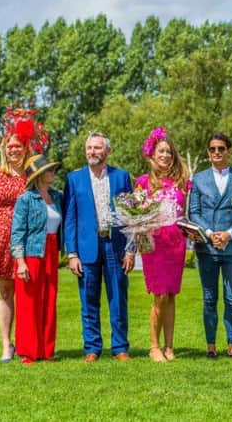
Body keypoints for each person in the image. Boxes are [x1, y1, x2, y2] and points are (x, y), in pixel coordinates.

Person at [63, 132, 134, 362]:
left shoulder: (121, 177)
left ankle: (120, 347)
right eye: (89, 148)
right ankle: (92, 348)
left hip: (115, 246)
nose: (92, 152)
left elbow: (132, 215)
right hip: (86, 248)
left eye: (97, 148)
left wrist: (131, 249)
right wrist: (72, 253)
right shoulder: (74, 179)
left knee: (118, 298)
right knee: (88, 299)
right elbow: (70, 218)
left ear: (107, 151)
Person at [0, 107, 41, 362]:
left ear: (26, 148)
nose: (13, 150)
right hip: (1, 237)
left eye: (18, 146)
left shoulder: (33, 173)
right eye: (9, 146)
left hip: (28, 237)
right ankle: (7, 344)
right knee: (5, 292)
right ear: (4, 148)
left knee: (29, 292)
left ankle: (30, 343)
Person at [189, 133, 232, 359]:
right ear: (208, 152)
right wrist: (211, 233)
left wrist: (229, 233)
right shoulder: (198, 179)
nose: (217, 153)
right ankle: (211, 346)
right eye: (213, 149)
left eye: (221, 149)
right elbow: (193, 212)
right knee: (209, 298)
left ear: (229, 150)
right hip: (207, 248)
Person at [135, 127, 190, 362]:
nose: (165, 155)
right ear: (152, 154)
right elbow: (135, 215)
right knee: (159, 295)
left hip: (176, 243)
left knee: (171, 295)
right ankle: (154, 346)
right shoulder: (143, 182)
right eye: (161, 151)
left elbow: (186, 213)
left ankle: (169, 346)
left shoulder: (182, 183)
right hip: (154, 245)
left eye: (168, 151)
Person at [10, 154, 62, 365]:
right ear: (39, 175)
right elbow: (17, 232)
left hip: (51, 251)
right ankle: (28, 352)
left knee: (49, 300)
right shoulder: (25, 199)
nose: (53, 173)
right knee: (28, 303)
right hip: (31, 253)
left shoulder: (57, 197)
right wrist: (20, 262)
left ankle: (46, 350)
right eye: (49, 170)